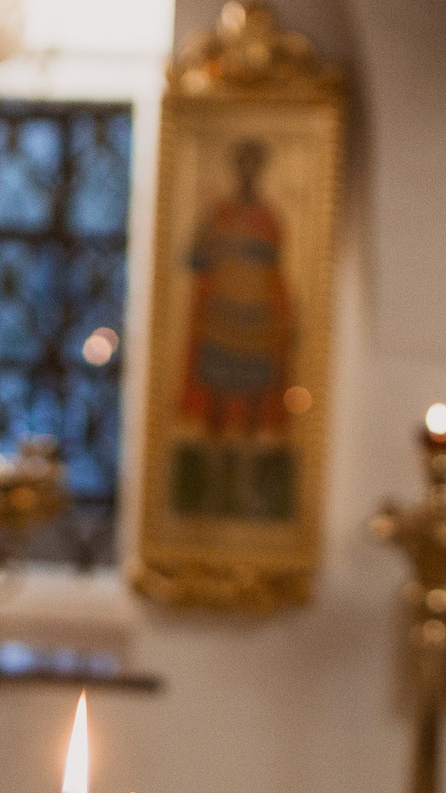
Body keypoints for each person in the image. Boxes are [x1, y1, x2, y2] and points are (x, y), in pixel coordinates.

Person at [174, 137, 293, 520]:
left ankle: (243, 487)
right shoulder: (218, 214)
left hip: (257, 323)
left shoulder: (269, 217)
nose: (247, 172)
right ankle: (211, 488)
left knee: (253, 412)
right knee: (218, 407)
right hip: (221, 320)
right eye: (241, 164)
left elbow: (276, 270)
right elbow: (194, 260)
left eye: (252, 164)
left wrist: (287, 320)